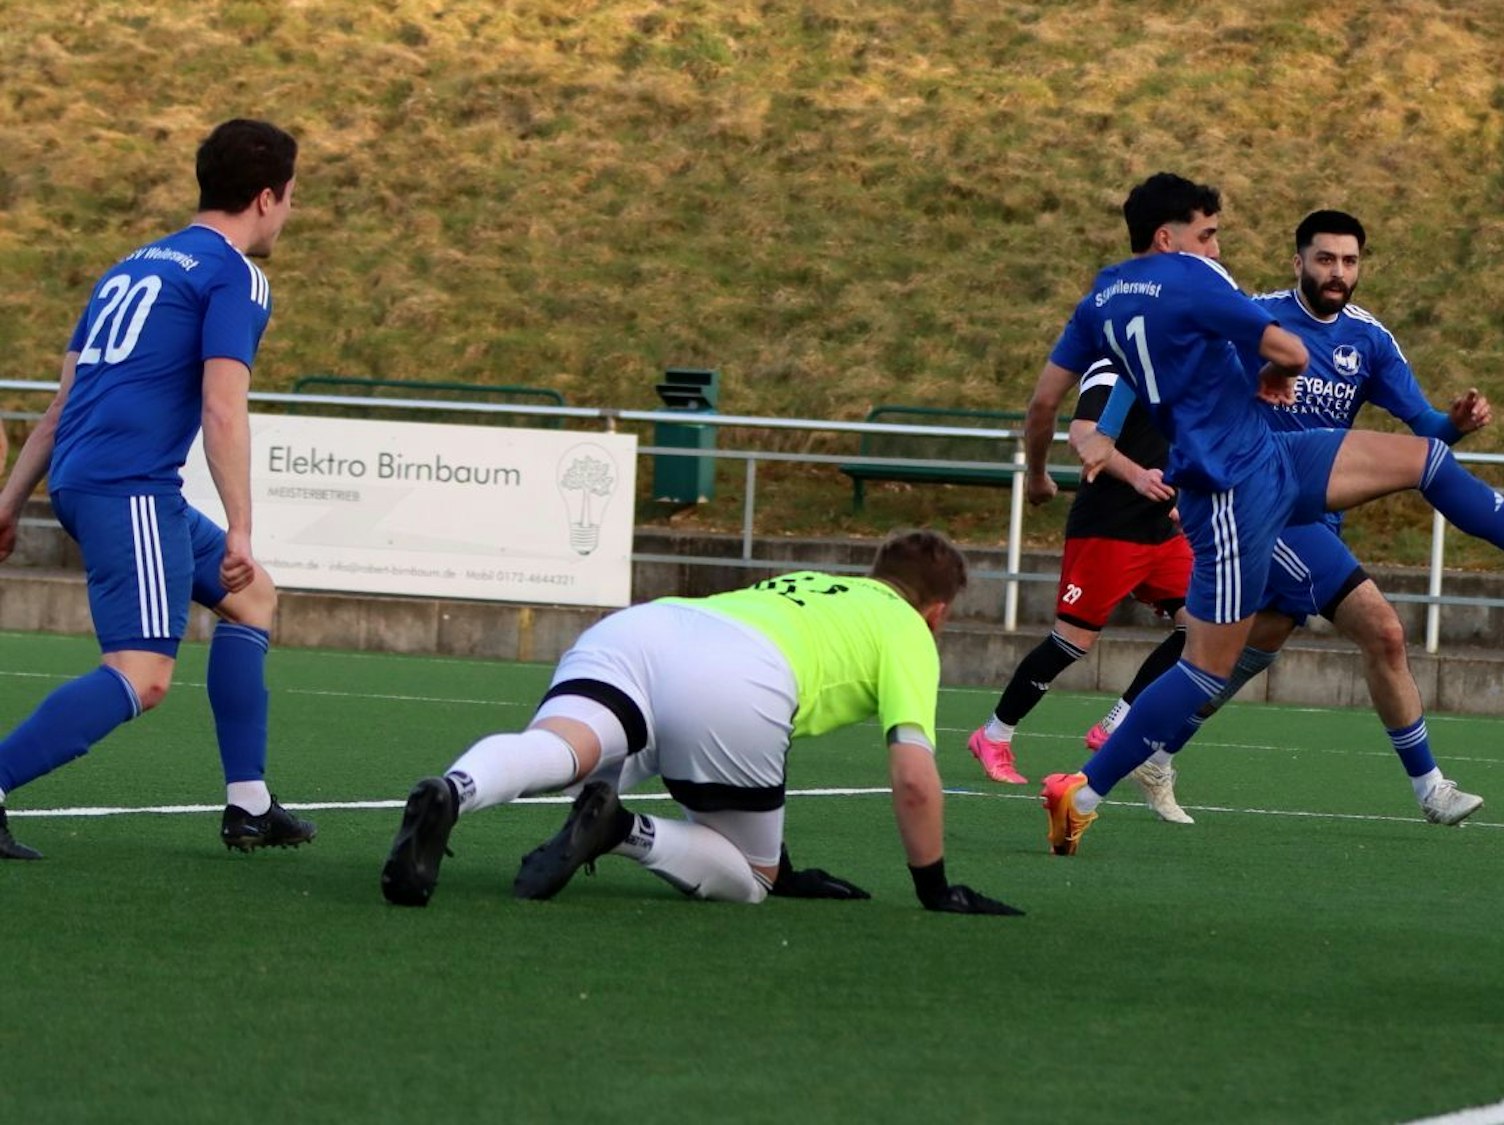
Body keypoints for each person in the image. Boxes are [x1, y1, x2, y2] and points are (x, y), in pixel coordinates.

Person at [1022, 173, 1504, 856]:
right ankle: (1081, 793)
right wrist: (1273, 372)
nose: (1216, 245)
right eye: (1208, 233)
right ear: (1167, 236)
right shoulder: (1198, 280)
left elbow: (1043, 406)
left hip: (1271, 456)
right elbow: (1288, 350)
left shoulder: (1100, 299)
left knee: (1424, 460)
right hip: (1232, 491)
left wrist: (1037, 478)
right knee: (1207, 668)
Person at [381, 530, 1022, 916]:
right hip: (736, 678)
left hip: (643, 629)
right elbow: (913, 777)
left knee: (557, 746)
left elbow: (770, 737)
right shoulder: (908, 629)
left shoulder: (808, 584)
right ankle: (621, 830)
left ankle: (455, 789)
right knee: (750, 878)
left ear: (874, 573)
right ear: (937, 612)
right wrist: (936, 889)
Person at [0, 119, 311, 860]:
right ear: (266, 197)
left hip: (95, 478)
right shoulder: (235, 273)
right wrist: (240, 524)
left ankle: (249, 804)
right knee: (142, 676)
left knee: (253, 596)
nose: (290, 213)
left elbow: (59, 403)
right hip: (127, 486)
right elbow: (222, 405)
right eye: (292, 198)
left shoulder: (130, 266)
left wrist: (9, 501)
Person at [966, 357, 1200, 824]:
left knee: (1201, 628)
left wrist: (1187, 497)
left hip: (1162, 530)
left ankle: (1117, 722)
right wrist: (1137, 476)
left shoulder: (1176, 369)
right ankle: (994, 735)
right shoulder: (1113, 368)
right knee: (1072, 643)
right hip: (1108, 529)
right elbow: (1085, 434)